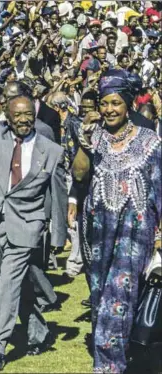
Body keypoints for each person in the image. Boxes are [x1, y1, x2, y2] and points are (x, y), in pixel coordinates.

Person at [0, 96, 67, 372]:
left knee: (7, 282)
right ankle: (39, 332)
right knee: (19, 284)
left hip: (28, 226)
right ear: (7, 118)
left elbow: (58, 194)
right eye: (17, 115)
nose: (23, 120)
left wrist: (58, 236)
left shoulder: (52, 150)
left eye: (28, 114)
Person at [73, 69, 162, 373]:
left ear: (127, 105)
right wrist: (85, 140)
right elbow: (79, 174)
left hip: (136, 231)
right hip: (98, 231)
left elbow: (160, 188)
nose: (109, 110)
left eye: (115, 103)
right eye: (104, 104)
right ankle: (124, 353)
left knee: (118, 296)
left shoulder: (150, 141)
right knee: (100, 297)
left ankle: (110, 366)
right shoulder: (94, 137)